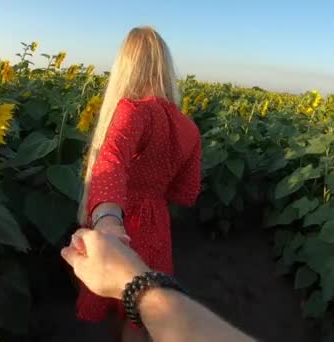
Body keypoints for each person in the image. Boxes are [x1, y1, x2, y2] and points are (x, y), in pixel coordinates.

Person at [75, 26, 202, 341]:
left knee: (114, 293)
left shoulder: (133, 110)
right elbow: (187, 194)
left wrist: (106, 218)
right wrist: (155, 187)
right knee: (143, 310)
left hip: (121, 218)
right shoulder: (189, 128)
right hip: (157, 224)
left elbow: (111, 162)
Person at [62, 228, 257, 342]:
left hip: (112, 239)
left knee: (115, 309)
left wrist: (108, 222)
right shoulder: (186, 154)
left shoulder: (110, 157)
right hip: (154, 230)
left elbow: (107, 189)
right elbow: (187, 193)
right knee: (134, 322)